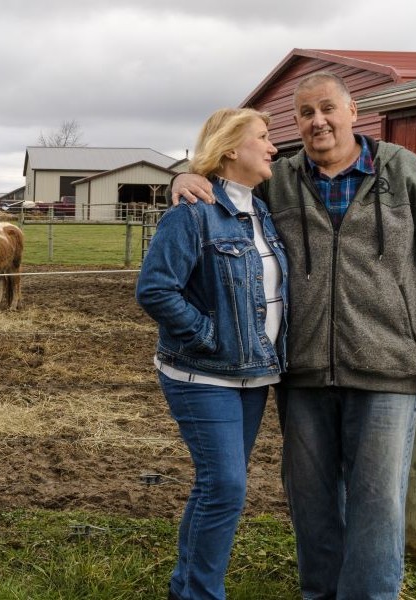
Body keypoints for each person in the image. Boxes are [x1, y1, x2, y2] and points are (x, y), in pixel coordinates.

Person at [170, 72, 416, 599]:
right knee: (310, 499)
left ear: (354, 112)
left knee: (377, 500)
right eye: (306, 113)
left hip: (387, 365)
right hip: (302, 368)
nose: (318, 122)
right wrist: (181, 177)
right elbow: (224, 171)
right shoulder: (281, 177)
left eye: (327, 109)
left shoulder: (401, 171)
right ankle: (321, 593)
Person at [136, 107, 289, 600]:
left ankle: (188, 587)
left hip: (253, 377)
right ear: (229, 149)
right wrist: (208, 336)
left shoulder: (260, 211)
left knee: (219, 487)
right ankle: (199, 593)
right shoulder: (192, 212)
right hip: (202, 375)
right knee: (225, 487)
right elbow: (156, 289)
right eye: (263, 139)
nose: (273, 147)